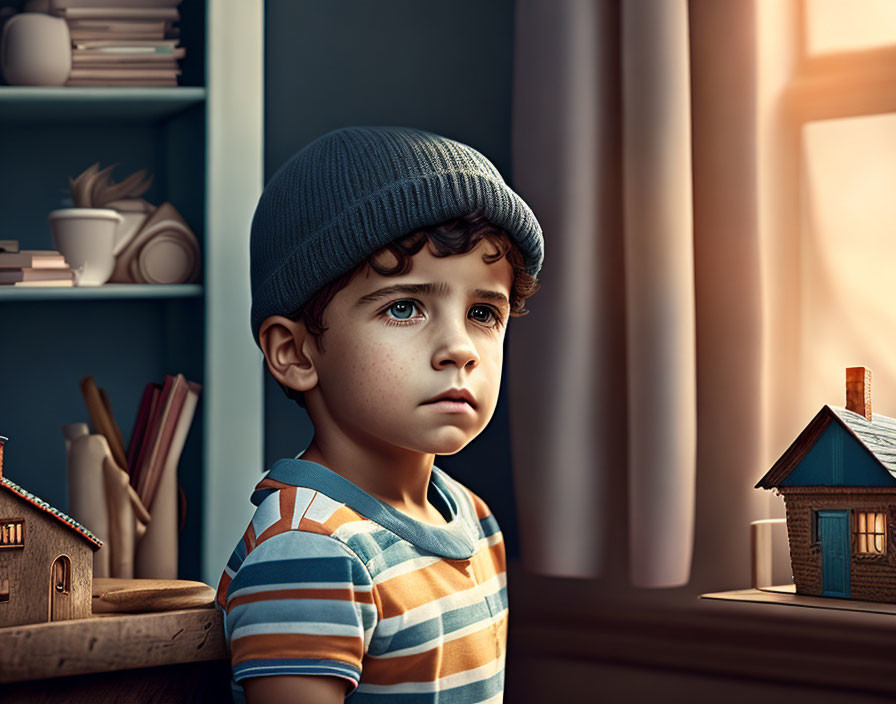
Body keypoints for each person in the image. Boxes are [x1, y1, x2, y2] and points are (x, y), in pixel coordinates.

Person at [216, 125, 544, 703]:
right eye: (403, 307)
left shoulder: (472, 520)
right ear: (295, 353)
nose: (459, 348)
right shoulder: (312, 552)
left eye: (483, 314)